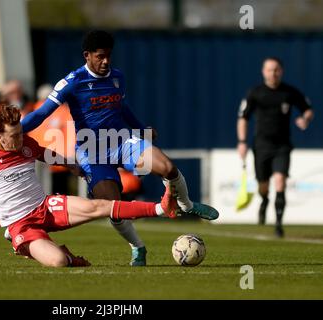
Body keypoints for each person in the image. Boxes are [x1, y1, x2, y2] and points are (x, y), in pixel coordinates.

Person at [20, 30, 218, 266]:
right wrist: (16, 131)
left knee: (167, 167)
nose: (106, 62)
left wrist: (140, 128)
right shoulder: (72, 82)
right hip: (91, 151)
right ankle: (138, 247)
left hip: (121, 141)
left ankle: (187, 205)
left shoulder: (117, 77)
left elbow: (122, 108)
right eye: (100, 56)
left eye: (109, 56)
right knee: (113, 206)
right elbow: (42, 113)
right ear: (87, 55)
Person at [0, 105, 217, 268]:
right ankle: (68, 256)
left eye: (21, 133)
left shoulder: (27, 144)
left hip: (45, 207)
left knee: (101, 205)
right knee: (57, 262)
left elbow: (52, 156)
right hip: (20, 225)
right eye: (13, 136)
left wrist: (79, 168)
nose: (20, 139)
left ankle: (161, 207)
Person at [237, 57, 314, 237]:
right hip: (261, 145)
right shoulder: (255, 93)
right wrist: (242, 142)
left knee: (280, 182)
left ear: (282, 71)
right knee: (263, 185)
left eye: (277, 69)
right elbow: (243, 118)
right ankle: (264, 200)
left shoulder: (289, 92)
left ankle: (278, 224)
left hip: (282, 146)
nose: (273, 73)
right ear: (263, 72)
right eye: (270, 70)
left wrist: (305, 119)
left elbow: (308, 109)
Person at [28, 83, 76, 195]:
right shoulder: (35, 109)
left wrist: (70, 152)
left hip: (57, 158)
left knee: (58, 189)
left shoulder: (63, 111)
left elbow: (71, 132)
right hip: (40, 156)